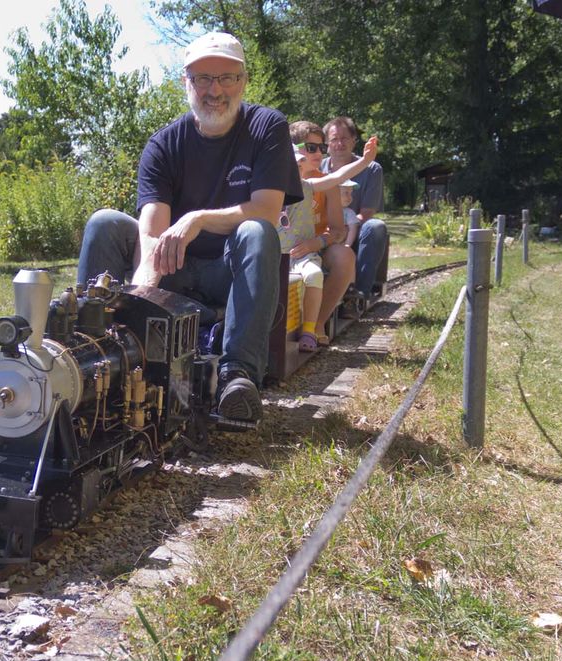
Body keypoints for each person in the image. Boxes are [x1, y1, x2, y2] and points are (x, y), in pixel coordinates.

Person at [76, 32, 301, 422]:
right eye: (203, 78)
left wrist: (196, 219)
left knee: (256, 231)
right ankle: (89, 354)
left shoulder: (268, 127)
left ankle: (238, 376)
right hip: (174, 269)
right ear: (187, 82)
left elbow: (266, 210)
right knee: (105, 223)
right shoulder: (163, 145)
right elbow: (150, 234)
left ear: (243, 81)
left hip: (230, 272)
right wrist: (142, 297)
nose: (215, 90)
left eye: (226, 78)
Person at [279, 125, 376, 351]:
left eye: (321, 147)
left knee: (344, 256)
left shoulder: (326, 183)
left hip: (316, 247)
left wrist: (317, 242)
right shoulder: (277, 182)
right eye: (311, 148)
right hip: (283, 247)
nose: (318, 154)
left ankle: (316, 324)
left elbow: (338, 231)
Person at [320, 116, 388, 305]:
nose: (339, 143)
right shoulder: (318, 167)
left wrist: (344, 228)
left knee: (375, 227)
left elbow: (367, 212)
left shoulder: (372, 169)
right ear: (326, 142)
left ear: (354, 141)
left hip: (355, 229)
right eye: (334, 139)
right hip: (322, 229)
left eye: (344, 138)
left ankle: (357, 294)